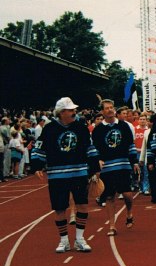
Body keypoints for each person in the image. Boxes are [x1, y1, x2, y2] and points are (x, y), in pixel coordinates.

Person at [30, 97, 99, 252]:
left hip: (79, 172)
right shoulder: (49, 129)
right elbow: (39, 148)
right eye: (70, 110)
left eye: (74, 110)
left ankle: (80, 239)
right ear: (61, 112)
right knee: (60, 208)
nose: (74, 112)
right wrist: (37, 166)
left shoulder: (81, 127)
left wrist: (94, 166)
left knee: (82, 205)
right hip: (57, 174)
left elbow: (90, 147)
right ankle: (64, 241)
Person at [91, 99, 139, 235]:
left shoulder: (124, 126)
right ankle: (112, 226)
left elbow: (131, 145)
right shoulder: (98, 130)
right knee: (109, 197)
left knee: (127, 194)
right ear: (102, 111)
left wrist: (134, 162)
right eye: (107, 108)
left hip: (123, 164)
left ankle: (129, 213)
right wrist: (97, 162)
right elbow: (95, 149)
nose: (110, 110)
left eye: (112, 107)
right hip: (107, 167)